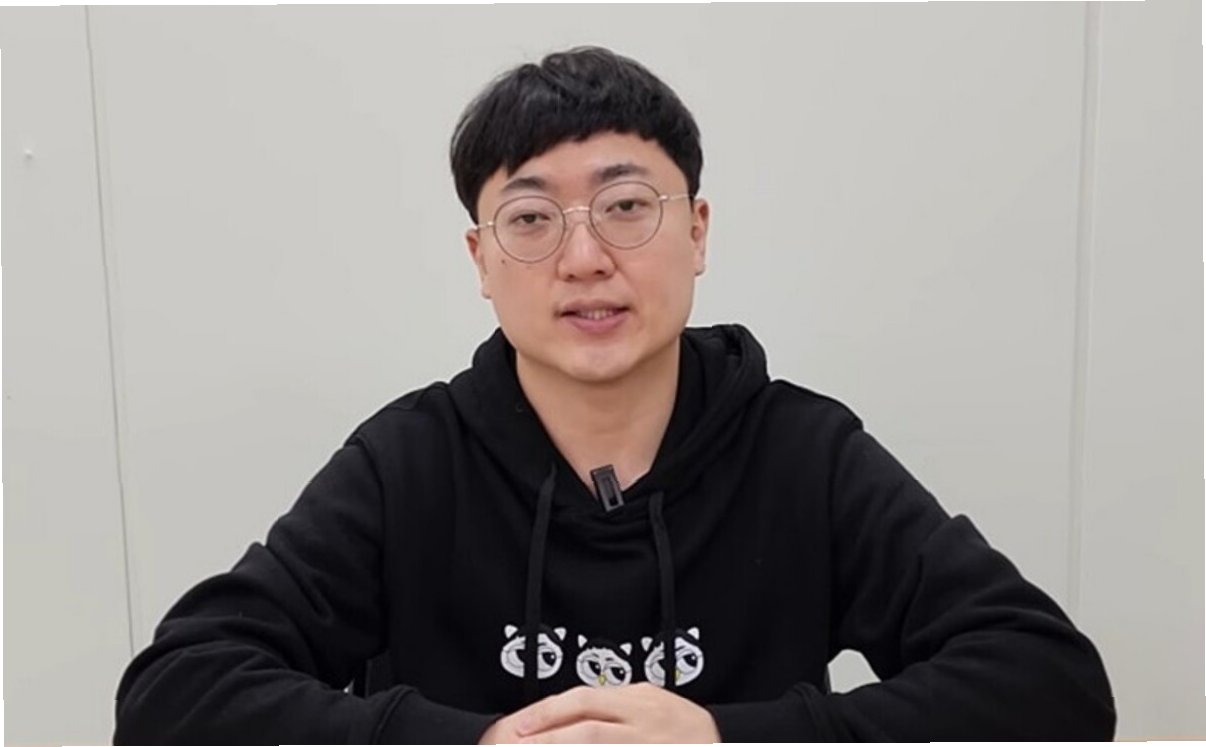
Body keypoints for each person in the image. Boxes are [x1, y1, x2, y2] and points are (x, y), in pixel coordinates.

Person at [114, 46, 1115, 743]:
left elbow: (1050, 681)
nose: (585, 257)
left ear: (698, 232)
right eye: (531, 218)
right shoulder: (410, 460)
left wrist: (730, 737)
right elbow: (175, 691)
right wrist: (471, 741)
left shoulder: (801, 452)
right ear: (481, 259)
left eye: (627, 205)